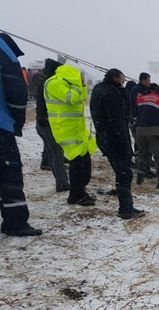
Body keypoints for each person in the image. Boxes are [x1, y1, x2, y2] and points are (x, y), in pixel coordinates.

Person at [0, 33, 42, 236]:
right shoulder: (2, 46)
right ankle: (15, 222)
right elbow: (16, 89)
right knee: (9, 175)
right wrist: (17, 122)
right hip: (1, 125)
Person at [90, 68, 145, 219]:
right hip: (115, 139)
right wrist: (126, 145)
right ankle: (126, 209)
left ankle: (126, 206)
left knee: (121, 172)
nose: (123, 82)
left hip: (104, 137)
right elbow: (117, 121)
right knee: (125, 174)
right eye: (123, 79)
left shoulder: (98, 89)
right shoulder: (113, 93)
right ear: (116, 78)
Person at [44, 63, 97, 206]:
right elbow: (72, 98)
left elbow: (82, 97)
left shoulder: (66, 83)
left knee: (84, 162)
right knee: (78, 163)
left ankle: (80, 191)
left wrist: (82, 85)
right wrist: (76, 84)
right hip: (65, 129)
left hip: (76, 128)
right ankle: (76, 194)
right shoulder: (54, 83)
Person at [34, 58, 69, 192]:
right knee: (57, 154)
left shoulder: (43, 82)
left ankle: (60, 181)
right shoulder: (51, 84)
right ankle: (62, 183)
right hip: (48, 125)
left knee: (52, 153)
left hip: (41, 124)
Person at [134, 84, 159, 189]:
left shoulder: (141, 99)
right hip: (155, 131)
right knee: (158, 158)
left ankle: (139, 178)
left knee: (142, 154)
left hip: (139, 131)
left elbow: (134, 114)